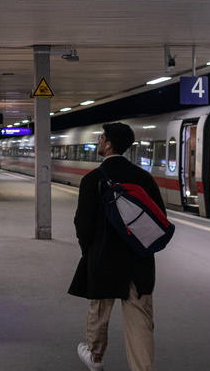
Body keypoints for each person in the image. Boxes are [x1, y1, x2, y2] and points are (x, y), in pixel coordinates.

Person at [69, 122, 166, 371]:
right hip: (138, 261)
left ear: (109, 144)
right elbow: (159, 219)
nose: (99, 141)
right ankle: (142, 367)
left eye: (101, 138)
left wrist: (89, 251)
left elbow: (83, 224)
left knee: (99, 308)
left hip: (103, 259)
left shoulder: (92, 180)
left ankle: (95, 356)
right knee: (140, 319)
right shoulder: (144, 178)